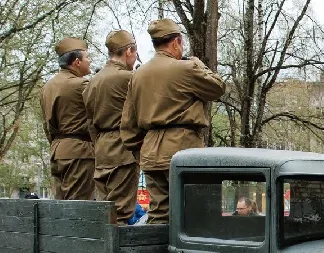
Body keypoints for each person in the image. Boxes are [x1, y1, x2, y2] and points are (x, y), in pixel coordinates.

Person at [121, 19, 226, 224]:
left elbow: (128, 124)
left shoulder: (138, 75)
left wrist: (140, 152)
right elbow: (217, 87)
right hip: (183, 148)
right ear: (176, 42)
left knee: (159, 215)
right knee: (194, 213)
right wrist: (197, 63)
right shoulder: (186, 68)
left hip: (151, 153)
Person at [83, 30, 140, 223]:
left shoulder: (93, 81)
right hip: (123, 148)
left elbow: (90, 122)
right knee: (121, 212)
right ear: (129, 51)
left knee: (104, 211)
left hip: (101, 149)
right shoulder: (129, 78)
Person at [40, 37, 95, 201]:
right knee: (79, 206)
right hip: (79, 151)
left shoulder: (47, 86)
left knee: (60, 206)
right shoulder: (81, 85)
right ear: (77, 62)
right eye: (87, 57)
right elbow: (99, 117)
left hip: (57, 150)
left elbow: (45, 124)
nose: (90, 60)